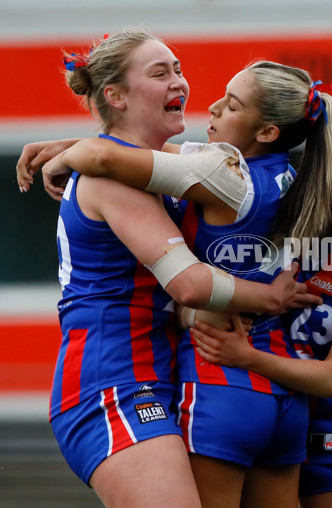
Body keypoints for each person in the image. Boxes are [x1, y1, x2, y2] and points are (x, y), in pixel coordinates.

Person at [15, 30, 316, 508]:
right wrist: (271, 298)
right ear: (114, 95)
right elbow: (191, 284)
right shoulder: (113, 179)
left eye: (179, 68)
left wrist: (74, 145)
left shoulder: (152, 168)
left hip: (159, 374)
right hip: (111, 382)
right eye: (161, 73)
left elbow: (137, 156)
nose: (181, 82)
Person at [192, 86, 332, 508]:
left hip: (330, 433)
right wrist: (93, 148)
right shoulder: (279, 208)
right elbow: (181, 162)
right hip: (253, 412)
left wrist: (248, 357)